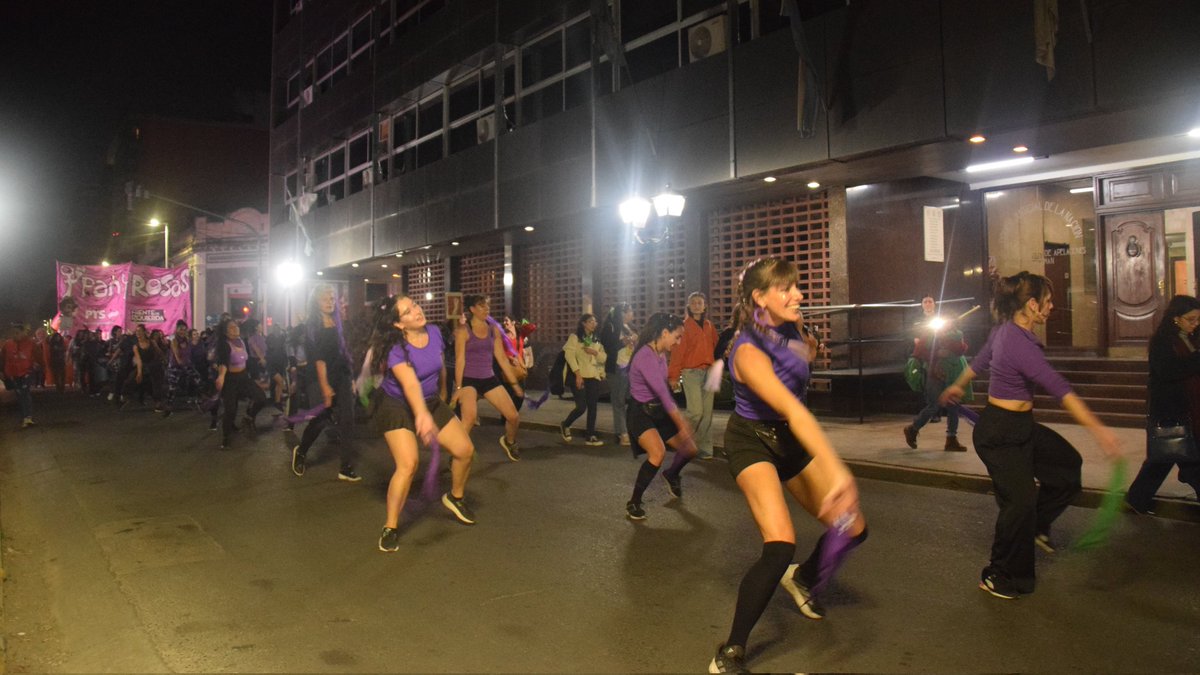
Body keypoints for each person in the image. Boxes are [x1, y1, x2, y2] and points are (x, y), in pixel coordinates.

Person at [710, 258, 866, 674]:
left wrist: (807, 349)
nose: (799, 294)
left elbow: (802, 357)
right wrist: (839, 472)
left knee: (853, 528)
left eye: (797, 286)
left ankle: (803, 578)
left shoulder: (793, 326)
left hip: (790, 439)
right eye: (786, 289)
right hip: (752, 439)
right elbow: (795, 412)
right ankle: (730, 651)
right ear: (759, 298)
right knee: (780, 546)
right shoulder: (747, 352)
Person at [940, 271, 1121, 599]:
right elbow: (1060, 390)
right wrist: (1100, 431)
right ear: (1032, 305)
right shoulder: (1018, 343)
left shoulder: (1005, 331)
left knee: (1066, 466)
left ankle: (1036, 526)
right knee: (1019, 502)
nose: (1052, 307)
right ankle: (998, 574)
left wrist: (957, 385)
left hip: (1021, 426)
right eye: (1048, 301)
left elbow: (978, 362)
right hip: (999, 433)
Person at [368, 294, 478, 551]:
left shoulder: (435, 332)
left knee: (465, 450)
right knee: (408, 464)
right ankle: (390, 526)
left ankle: (455, 497)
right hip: (396, 405)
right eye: (407, 312)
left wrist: (443, 393)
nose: (417, 311)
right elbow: (409, 384)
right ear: (398, 324)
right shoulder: (395, 348)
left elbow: (439, 367)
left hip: (429, 400)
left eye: (415, 305)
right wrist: (421, 414)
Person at [1125, 295, 1200, 513]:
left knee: (1168, 456)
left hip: (1190, 408)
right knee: (1178, 454)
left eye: (1198, 319)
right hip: (1171, 409)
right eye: (1191, 319)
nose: (1195, 324)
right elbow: (1168, 371)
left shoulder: (1192, 337)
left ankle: (1137, 499)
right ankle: (1136, 499)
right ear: (1176, 318)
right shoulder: (1163, 341)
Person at [623, 313, 698, 520]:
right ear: (665, 333)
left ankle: (671, 474)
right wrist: (682, 423)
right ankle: (634, 502)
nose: (679, 342)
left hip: (658, 410)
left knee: (690, 449)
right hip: (640, 412)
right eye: (677, 336)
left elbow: (664, 392)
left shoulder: (660, 354)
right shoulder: (645, 356)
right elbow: (663, 394)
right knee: (657, 453)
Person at [291, 285, 361, 481]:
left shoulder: (338, 322)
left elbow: (344, 353)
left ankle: (345, 467)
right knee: (321, 419)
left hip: (341, 375)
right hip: (318, 376)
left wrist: (351, 379)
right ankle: (301, 451)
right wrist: (325, 387)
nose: (330, 302)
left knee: (348, 419)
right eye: (325, 299)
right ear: (316, 302)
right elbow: (318, 359)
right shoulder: (312, 326)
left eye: (332, 298)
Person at [451, 294, 525, 460]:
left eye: (487, 305)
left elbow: (502, 359)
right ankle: (457, 453)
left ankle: (509, 441)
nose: (486, 308)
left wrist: (515, 385)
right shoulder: (463, 331)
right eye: (481, 305)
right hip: (469, 379)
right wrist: (458, 388)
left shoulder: (493, 330)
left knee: (513, 416)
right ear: (472, 309)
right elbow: (460, 360)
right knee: (469, 418)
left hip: (488, 378)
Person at [903, 296, 969, 452]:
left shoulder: (956, 334)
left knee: (953, 405)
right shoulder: (931, 333)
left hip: (952, 372)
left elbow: (961, 349)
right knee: (934, 405)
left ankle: (951, 439)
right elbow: (919, 351)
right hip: (934, 372)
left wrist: (950, 342)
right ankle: (913, 428)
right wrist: (937, 355)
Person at [669, 292, 719, 459]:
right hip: (691, 373)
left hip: (709, 372)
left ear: (705, 306)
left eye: (700, 302)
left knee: (707, 414)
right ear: (688, 306)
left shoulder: (709, 326)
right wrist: (673, 376)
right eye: (693, 303)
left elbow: (716, 346)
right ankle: (680, 439)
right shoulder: (684, 327)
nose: (697, 305)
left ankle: (704, 448)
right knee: (696, 412)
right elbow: (677, 353)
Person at [214, 318, 268, 450]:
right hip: (230, 380)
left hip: (244, 378)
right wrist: (221, 377)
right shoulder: (224, 345)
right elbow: (223, 363)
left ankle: (249, 416)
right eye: (231, 327)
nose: (235, 329)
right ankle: (226, 437)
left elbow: (247, 361)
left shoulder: (242, 341)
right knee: (231, 410)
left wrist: (256, 377)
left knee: (261, 398)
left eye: (236, 326)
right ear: (226, 332)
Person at [558, 313, 606, 446]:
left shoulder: (596, 339)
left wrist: (595, 353)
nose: (594, 324)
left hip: (593, 376)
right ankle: (565, 424)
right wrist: (578, 374)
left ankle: (590, 435)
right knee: (581, 407)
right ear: (583, 323)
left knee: (593, 407)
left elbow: (603, 358)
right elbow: (569, 356)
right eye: (591, 321)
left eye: (595, 321)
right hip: (578, 375)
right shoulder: (575, 338)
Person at [600, 303, 636, 446]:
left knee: (630, 400)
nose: (632, 314)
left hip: (629, 367)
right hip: (617, 368)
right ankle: (622, 433)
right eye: (630, 311)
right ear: (622, 313)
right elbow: (607, 347)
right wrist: (623, 342)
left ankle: (625, 431)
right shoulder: (611, 327)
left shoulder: (629, 327)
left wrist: (633, 342)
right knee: (618, 401)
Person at [2, 323, 45, 427]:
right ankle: (24, 416)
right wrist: (3, 372)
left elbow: (39, 355)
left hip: (26, 372)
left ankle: (28, 417)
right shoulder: (7, 345)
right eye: (13, 333)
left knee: (25, 393)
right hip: (13, 374)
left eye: (17, 333)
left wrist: (40, 365)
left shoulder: (30, 343)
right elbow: (2, 359)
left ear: (22, 333)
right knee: (19, 394)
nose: (15, 335)